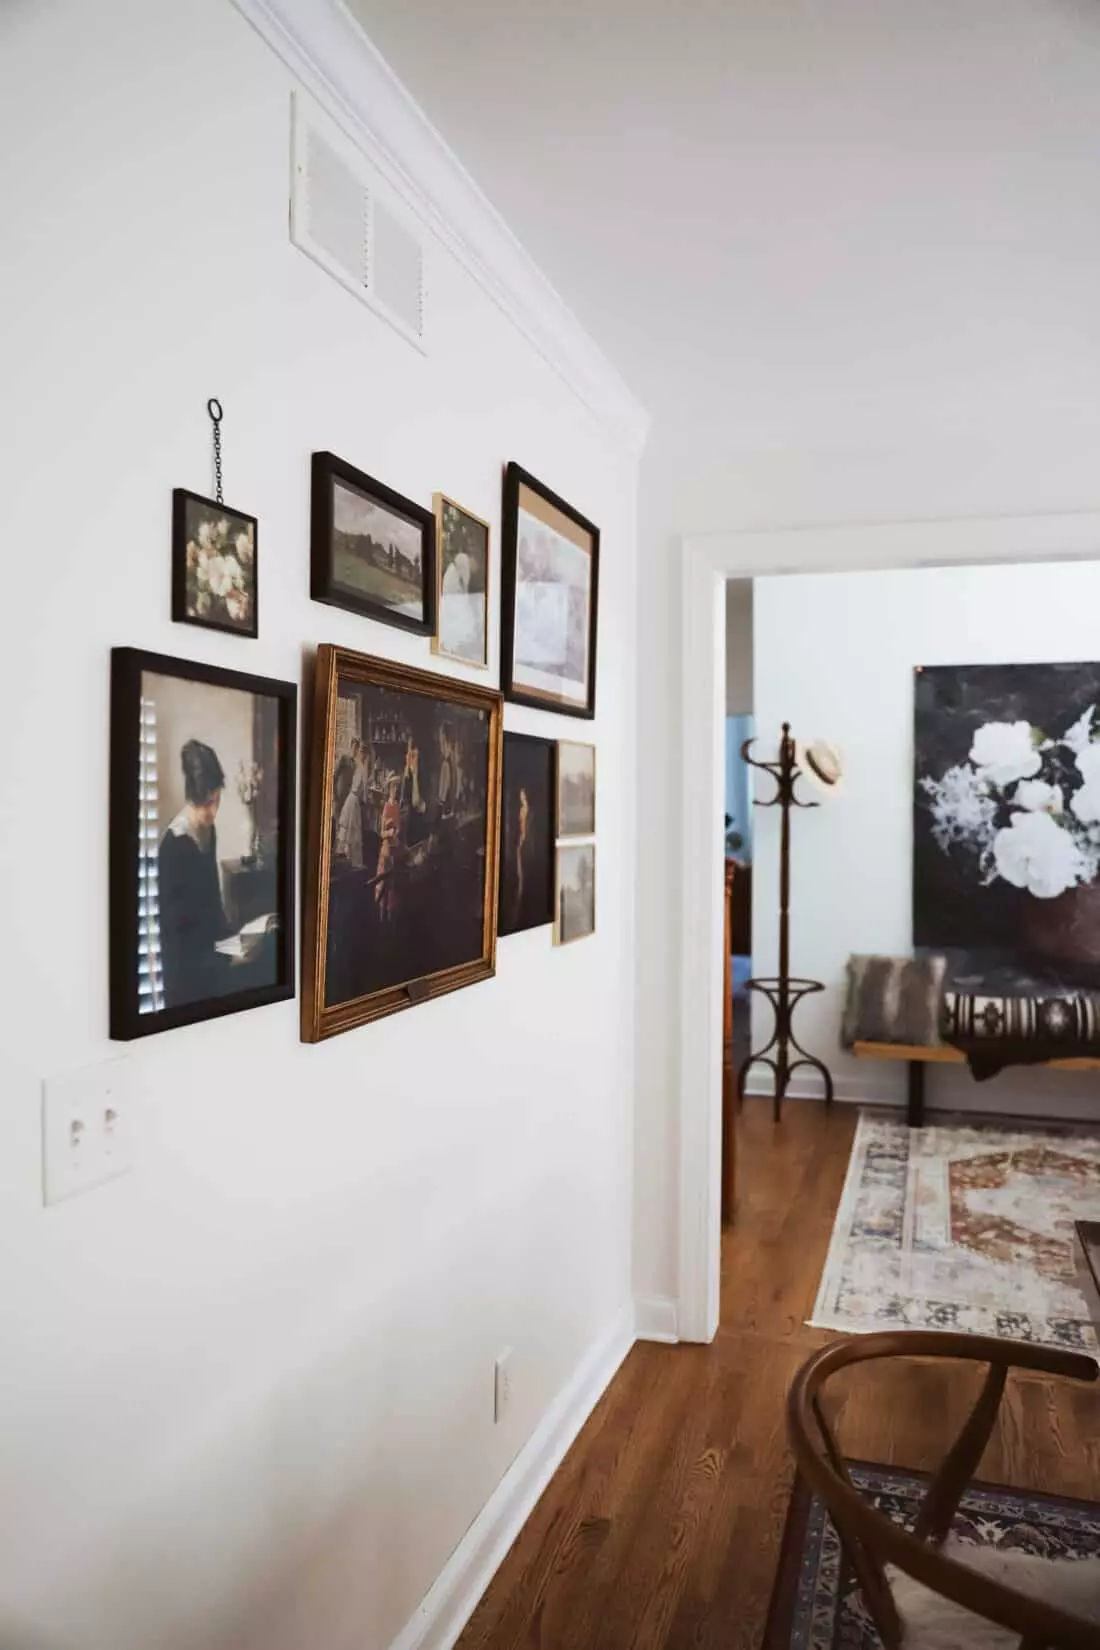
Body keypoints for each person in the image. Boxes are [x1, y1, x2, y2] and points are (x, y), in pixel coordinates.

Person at [158, 739, 231, 1007]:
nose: (212, 811)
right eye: (205, 805)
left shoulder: (209, 831)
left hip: (211, 959)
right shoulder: (174, 845)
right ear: (192, 797)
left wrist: (233, 943)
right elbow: (177, 937)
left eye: (216, 800)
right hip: (185, 973)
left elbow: (212, 902)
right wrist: (225, 956)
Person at [336, 740, 368, 867]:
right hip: (353, 799)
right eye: (359, 751)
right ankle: (349, 859)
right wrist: (364, 800)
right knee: (351, 830)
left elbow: (360, 785)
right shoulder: (360, 766)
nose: (359, 753)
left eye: (359, 751)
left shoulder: (357, 765)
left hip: (351, 797)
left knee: (350, 831)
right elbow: (363, 789)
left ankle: (348, 858)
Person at [375, 777, 402, 921]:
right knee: (382, 882)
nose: (395, 790)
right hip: (386, 849)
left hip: (394, 849)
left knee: (392, 885)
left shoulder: (397, 806)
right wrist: (389, 833)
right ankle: (381, 916)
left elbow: (399, 826)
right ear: (389, 789)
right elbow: (381, 832)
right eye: (393, 788)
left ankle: (390, 919)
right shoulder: (386, 807)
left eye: (397, 788)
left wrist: (396, 832)